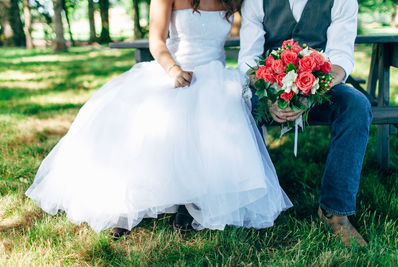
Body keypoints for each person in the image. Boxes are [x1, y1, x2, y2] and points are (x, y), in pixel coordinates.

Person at [25, 0, 292, 240]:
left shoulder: (234, 0)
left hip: (215, 75)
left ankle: (191, 202)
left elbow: (254, 34)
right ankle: (128, 206)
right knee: (150, 116)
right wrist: (173, 70)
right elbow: (157, 41)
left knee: (216, 110)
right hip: (174, 70)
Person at [238, 0, 372, 246]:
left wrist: (310, 92)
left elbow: (341, 57)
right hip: (268, 88)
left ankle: (335, 211)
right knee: (238, 105)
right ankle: (251, 203)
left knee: (356, 105)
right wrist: (270, 97)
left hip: (320, 87)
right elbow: (249, 59)